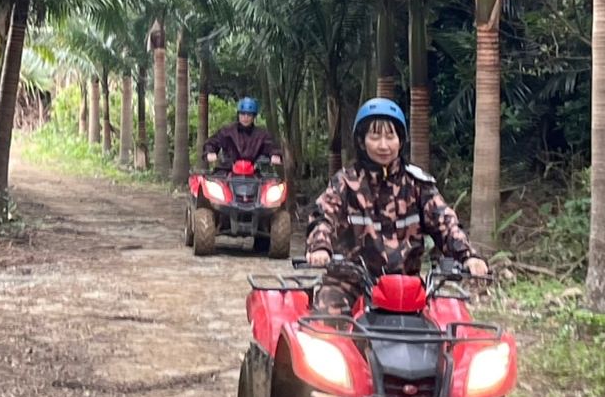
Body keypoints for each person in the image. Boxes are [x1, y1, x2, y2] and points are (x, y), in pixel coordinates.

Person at [305, 97, 488, 313]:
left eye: (390, 136)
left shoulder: (417, 184)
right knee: (325, 321)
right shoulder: (344, 183)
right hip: (350, 283)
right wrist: (320, 247)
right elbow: (323, 217)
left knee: (448, 321)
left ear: (400, 141)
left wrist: (469, 256)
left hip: (405, 288)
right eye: (375, 137)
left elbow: (445, 222)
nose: (384, 145)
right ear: (362, 141)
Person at [203, 97, 283, 168]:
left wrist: (275, 155)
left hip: (254, 173)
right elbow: (212, 142)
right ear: (238, 115)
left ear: (254, 117)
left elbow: (271, 146)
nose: (245, 117)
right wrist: (210, 152)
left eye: (249, 115)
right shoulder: (227, 131)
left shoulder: (262, 135)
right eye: (243, 114)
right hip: (228, 171)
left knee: (273, 180)